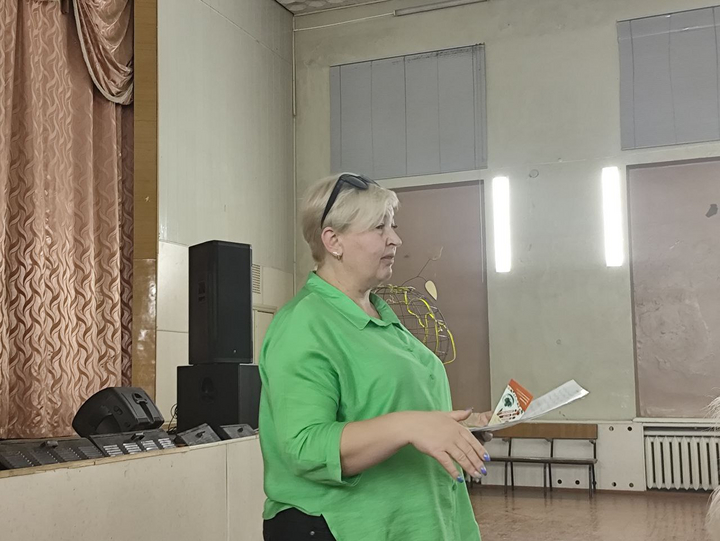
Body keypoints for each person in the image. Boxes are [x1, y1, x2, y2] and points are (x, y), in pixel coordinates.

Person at [259, 173, 490, 541]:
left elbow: (394, 410)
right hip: (346, 527)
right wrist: (409, 426)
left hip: (423, 522)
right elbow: (304, 447)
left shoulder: (382, 317)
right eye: (379, 227)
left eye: (393, 226)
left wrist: (457, 426)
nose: (395, 239)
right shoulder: (305, 322)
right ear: (333, 241)